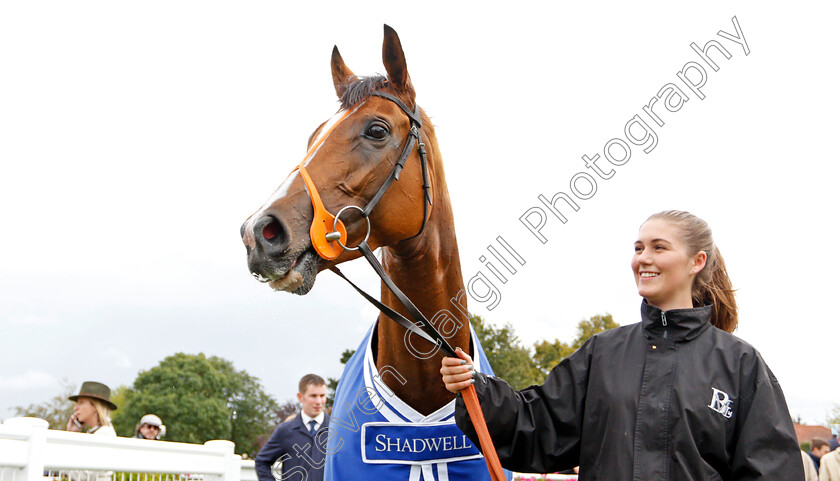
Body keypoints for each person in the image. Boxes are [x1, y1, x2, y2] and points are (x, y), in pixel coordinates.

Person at [441, 210, 803, 480]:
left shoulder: (741, 364)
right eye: (639, 247)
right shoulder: (602, 352)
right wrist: (477, 388)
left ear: (697, 261)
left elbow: (771, 470)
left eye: (659, 248)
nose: (642, 258)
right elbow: (538, 428)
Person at [255, 374, 330, 481]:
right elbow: (262, 462)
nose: (318, 401)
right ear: (300, 397)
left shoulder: (336, 430)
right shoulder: (285, 431)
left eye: (322, 396)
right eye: (313, 396)